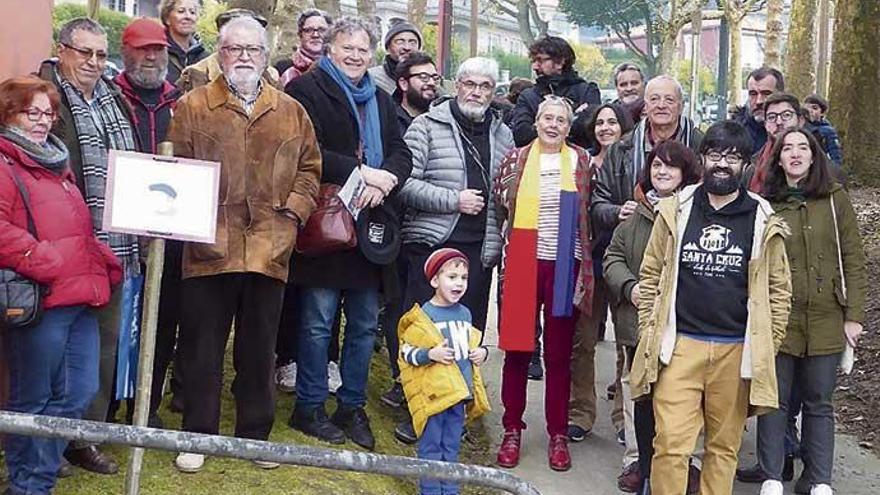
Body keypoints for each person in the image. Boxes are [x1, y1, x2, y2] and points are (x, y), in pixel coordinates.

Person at [165, 16, 322, 473]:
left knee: (259, 349)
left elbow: (310, 169)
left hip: (270, 248)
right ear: (221, 52)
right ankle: (198, 436)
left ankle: (255, 437)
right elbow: (174, 167)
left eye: (254, 49)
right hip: (209, 246)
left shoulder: (290, 110)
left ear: (265, 51)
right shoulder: (193, 106)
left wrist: (294, 210)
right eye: (236, 49)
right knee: (201, 347)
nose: (245, 58)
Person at [629, 120, 792, 495]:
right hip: (679, 346)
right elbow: (651, 274)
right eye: (715, 154)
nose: (723, 163)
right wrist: (649, 331)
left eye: (733, 157)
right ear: (702, 159)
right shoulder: (676, 210)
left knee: (723, 449)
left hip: (737, 350)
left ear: (746, 164)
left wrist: (769, 341)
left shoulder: (763, 218)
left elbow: (779, 290)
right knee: (670, 446)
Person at [285, 16, 413, 451]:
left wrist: (388, 179)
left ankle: (350, 406)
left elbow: (401, 150)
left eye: (363, 49)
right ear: (331, 49)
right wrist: (362, 173)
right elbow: (307, 150)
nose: (356, 56)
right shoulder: (305, 89)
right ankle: (309, 406)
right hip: (328, 226)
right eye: (347, 48)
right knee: (319, 323)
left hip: (371, 229)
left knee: (361, 325)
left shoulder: (379, 98)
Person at [0, 76, 122, 495]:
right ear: (8, 115)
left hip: (78, 296)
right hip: (40, 297)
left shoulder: (56, 163)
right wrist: (43, 259)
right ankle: (29, 484)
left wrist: (98, 259)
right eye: (30, 112)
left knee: (79, 393)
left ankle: (36, 477)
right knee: (31, 401)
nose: (40, 122)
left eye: (47, 113)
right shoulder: (5, 162)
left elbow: (72, 230)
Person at [37, 16, 140, 476]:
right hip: (59, 249)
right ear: (62, 50)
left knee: (103, 347)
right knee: (49, 351)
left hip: (113, 248)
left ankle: (84, 438)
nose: (95, 62)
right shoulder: (41, 98)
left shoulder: (113, 97)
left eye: (101, 54)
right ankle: (43, 446)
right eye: (85, 52)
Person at [393, 56, 513, 442]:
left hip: (479, 250)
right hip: (433, 244)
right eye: (470, 84)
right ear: (456, 84)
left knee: (465, 335)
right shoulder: (425, 126)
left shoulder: (503, 134)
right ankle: (415, 408)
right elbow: (403, 183)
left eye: (485, 87)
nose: (477, 92)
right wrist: (453, 200)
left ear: (494, 93)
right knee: (424, 331)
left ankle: (455, 414)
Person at [751, 128, 866, 495]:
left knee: (819, 401)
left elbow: (854, 259)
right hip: (779, 318)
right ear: (778, 157)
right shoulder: (765, 203)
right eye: (788, 149)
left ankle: (818, 479)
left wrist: (854, 316)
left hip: (826, 318)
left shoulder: (835, 201)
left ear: (814, 156)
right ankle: (772, 475)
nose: (796, 154)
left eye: (803, 148)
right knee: (774, 399)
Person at [494, 96, 594, 472]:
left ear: (569, 128)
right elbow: (501, 204)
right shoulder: (515, 159)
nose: (553, 125)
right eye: (547, 118)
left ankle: (557, 434)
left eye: (561, 120)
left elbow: (588, 212)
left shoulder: (580, 161)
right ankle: (512, 429)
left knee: (557, 354)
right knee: (518, 350)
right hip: (522, 259)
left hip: (565, 262)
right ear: (535, 122)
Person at [603, 140, 701, 493]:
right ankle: (637, 460)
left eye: (671, 167)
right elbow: (612, 258)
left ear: (685, 174)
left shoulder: (697, 212)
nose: (662, 172)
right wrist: (629, 286)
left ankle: (687, 461)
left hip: (683, 324)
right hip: (638, 323)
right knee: (637, 394)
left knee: (684, 397)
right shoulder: (637, 214)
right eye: (657, 165)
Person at [114, 17, 183, 428]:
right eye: (143, 49)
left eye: (158, 49)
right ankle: (107, 409)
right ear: (126, 52)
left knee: (163, 324)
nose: (152, 56)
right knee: (118, 325)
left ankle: (147, 406)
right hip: (120, 232)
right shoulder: (110, 97)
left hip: (172, 230)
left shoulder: (181, 100)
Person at [377, 49, 440, 417]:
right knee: (396, 308)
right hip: (391, 223)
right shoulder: (390, 117)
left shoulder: (441, 119)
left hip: (424, 229)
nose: (429, 83)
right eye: (421, 77)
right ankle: (400, 381)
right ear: (403, 83)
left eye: (434, 77)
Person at [398, 248, 491, 495]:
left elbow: (470, 346)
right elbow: (405, 352)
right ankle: (430, 491)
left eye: (463, 278)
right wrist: (429, 355)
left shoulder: (465, 314)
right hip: (434, 396)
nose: (459, 283)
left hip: (459, 395)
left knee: (451, 446)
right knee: (431, 446)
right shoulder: (424, 316)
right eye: (452, 277)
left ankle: (449, 490)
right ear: (434, 280)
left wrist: (482, 353)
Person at [567, 102, 632, 445]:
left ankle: (624, 418)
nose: (606, 128)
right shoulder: (582, 162)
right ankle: (580, 412)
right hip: (588, 260)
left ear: (624, 126)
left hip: (624, 263)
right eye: (600, 123)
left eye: (612, 122)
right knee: (583, 340)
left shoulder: (633, 161)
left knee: (626, 343)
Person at [591, 75, 703, 235]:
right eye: (654, 99)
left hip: (686, 238)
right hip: (633, 238)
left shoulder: (698, 145)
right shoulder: (621, 149)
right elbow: (598, 204)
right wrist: (618, 212)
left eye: (669, 100)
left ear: (680, 106)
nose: (661, 105)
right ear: (646, 105)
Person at [510, 36, 601, 148]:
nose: (534, 66)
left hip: (578, 162)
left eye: (540, 60)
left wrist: (540, 125)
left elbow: (589, 130)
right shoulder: (528, 96)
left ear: (560, 62)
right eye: (533, 61)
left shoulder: (587, 91)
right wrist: (574, 116)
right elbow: (522, 136)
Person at [175, 9, 280, 93]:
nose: (244, 56)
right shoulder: (196, 74)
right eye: (235, 48)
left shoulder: (270, 75)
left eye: (252, 47)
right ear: (220, 43)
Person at [746, 92, 804, 192]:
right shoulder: (753, 168)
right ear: (765, 124)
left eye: (786, 115)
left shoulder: (820, 167)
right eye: (772, 117)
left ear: (800, 120)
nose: (779, 122)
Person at [733, 67, 785, 154]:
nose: (759, 101)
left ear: (781, 95)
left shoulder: (798, 134)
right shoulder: (733, 133)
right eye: (753, 94)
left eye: (766, 94)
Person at [277, 9, 332, 88]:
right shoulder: (282, 68)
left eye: (322, 30)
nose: (315, 35)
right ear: (300, 34)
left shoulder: (341, 68)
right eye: (308, 30)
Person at [159, 0, 208, 84]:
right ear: (167, 18)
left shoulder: (205, 58)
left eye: (192, 12)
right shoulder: (158, 54)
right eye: (181, 11)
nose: (188, 16)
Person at [368, 20, 422, 95]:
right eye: (400, 42)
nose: (407, 47)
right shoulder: (372, 78)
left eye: (412, 42)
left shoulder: (428, 79)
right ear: (388, 47)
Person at [393, 51, 439, 132]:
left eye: (435, 78)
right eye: (423, 77)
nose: (431, 83)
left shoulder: (443, 117)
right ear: (403, 83)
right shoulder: (387, 118)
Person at [802, 94, 843, 167]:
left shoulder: (828, 131)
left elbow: (835, 155)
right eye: (807, 108)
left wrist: (834, 172)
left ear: (822, 113)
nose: (810, 111)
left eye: (814, 108)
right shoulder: (799, 127)